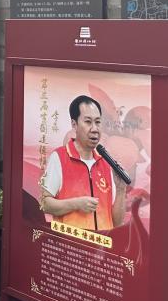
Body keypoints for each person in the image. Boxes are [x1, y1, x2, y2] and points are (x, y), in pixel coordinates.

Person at [39, 95, 127, 232]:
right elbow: (44, 203)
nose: (94, 129)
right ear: (74, 124)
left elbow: (117, 222)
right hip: (72, 243)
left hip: (103, 243)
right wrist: (76, 204)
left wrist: (121, 190)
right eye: (88, 122)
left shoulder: (106, 163)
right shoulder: (60, 157)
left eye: (98, 122)